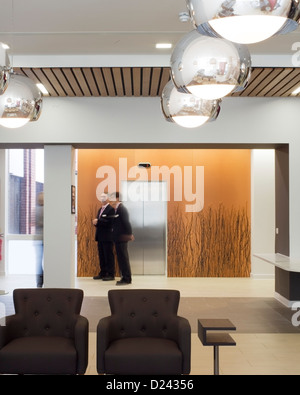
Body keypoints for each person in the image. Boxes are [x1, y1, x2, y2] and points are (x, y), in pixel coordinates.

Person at [110, 192, 134, 285]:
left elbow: (126, 222)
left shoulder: (122, 209)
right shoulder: (117, 209)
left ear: (117, 198)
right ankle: (124, 277)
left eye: (112, 198)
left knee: (123, 258)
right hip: (118, 238)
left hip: (122, 238)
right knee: (121, 258)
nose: (110, 200)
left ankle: (127, 278)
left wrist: (130, 234)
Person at [93, 193, 115, 281]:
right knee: (101, 255)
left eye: (104, 197)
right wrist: (96, 223)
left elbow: (109, 222)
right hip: (100, 236)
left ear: (108, 198)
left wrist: (98, 221)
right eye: (101, 197)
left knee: (108, 256)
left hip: (108, 237)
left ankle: (110, 274)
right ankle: (103, 273)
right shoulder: (100, 209)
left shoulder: (111, 209)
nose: (102, 198)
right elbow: (100, 222)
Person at [35, 191, 44, 288]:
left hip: (38, 238)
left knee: (39, 260)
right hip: (43, 238)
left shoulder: (36, 209)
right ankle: (42, 279)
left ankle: (40, 281)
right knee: (43, 260)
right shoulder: (46, 210)